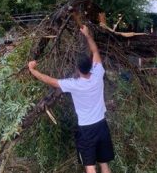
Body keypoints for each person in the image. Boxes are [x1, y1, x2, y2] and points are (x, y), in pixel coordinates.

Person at [28, 25, 114, 173]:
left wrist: (33, 70)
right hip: (101, 125)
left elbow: (50, 81)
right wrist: (87, 35)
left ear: (78, 69)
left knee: (90, 166)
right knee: (104, 164)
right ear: (90, 66)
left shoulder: (74, 84)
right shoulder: (98, 74)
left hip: (86, 130)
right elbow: (95, 52)